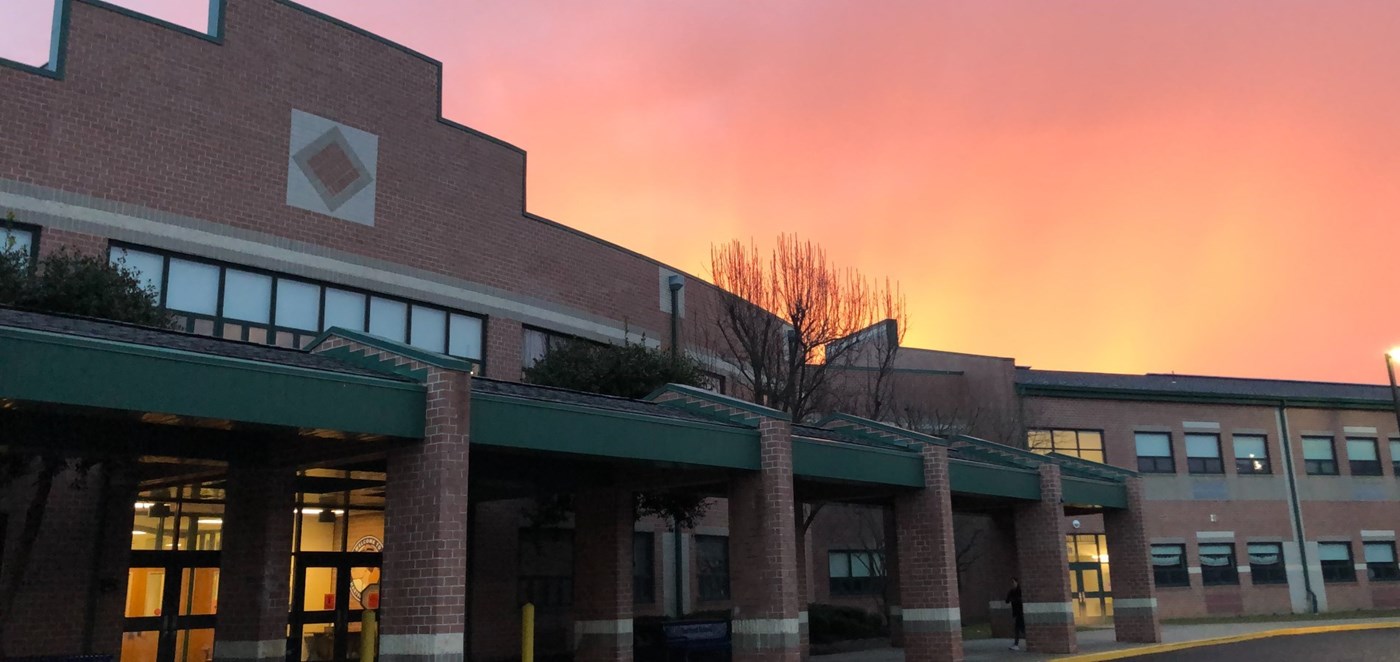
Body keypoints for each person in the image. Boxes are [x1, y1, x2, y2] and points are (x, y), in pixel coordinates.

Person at [1005, 577, 1025, 651]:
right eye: (1012, 583)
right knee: (1020, 628)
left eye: (1013, 582)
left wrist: (1014, 599)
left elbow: (1020, 599)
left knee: (1019, 628)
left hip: (1020, 612)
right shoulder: (1011, 591)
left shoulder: (1019, 590)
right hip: (1016, 612)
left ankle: (1016, 644)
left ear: (1017, 582)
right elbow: (1007, 600)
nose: (1012, 584)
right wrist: (1010, 598)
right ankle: (1016, 644)